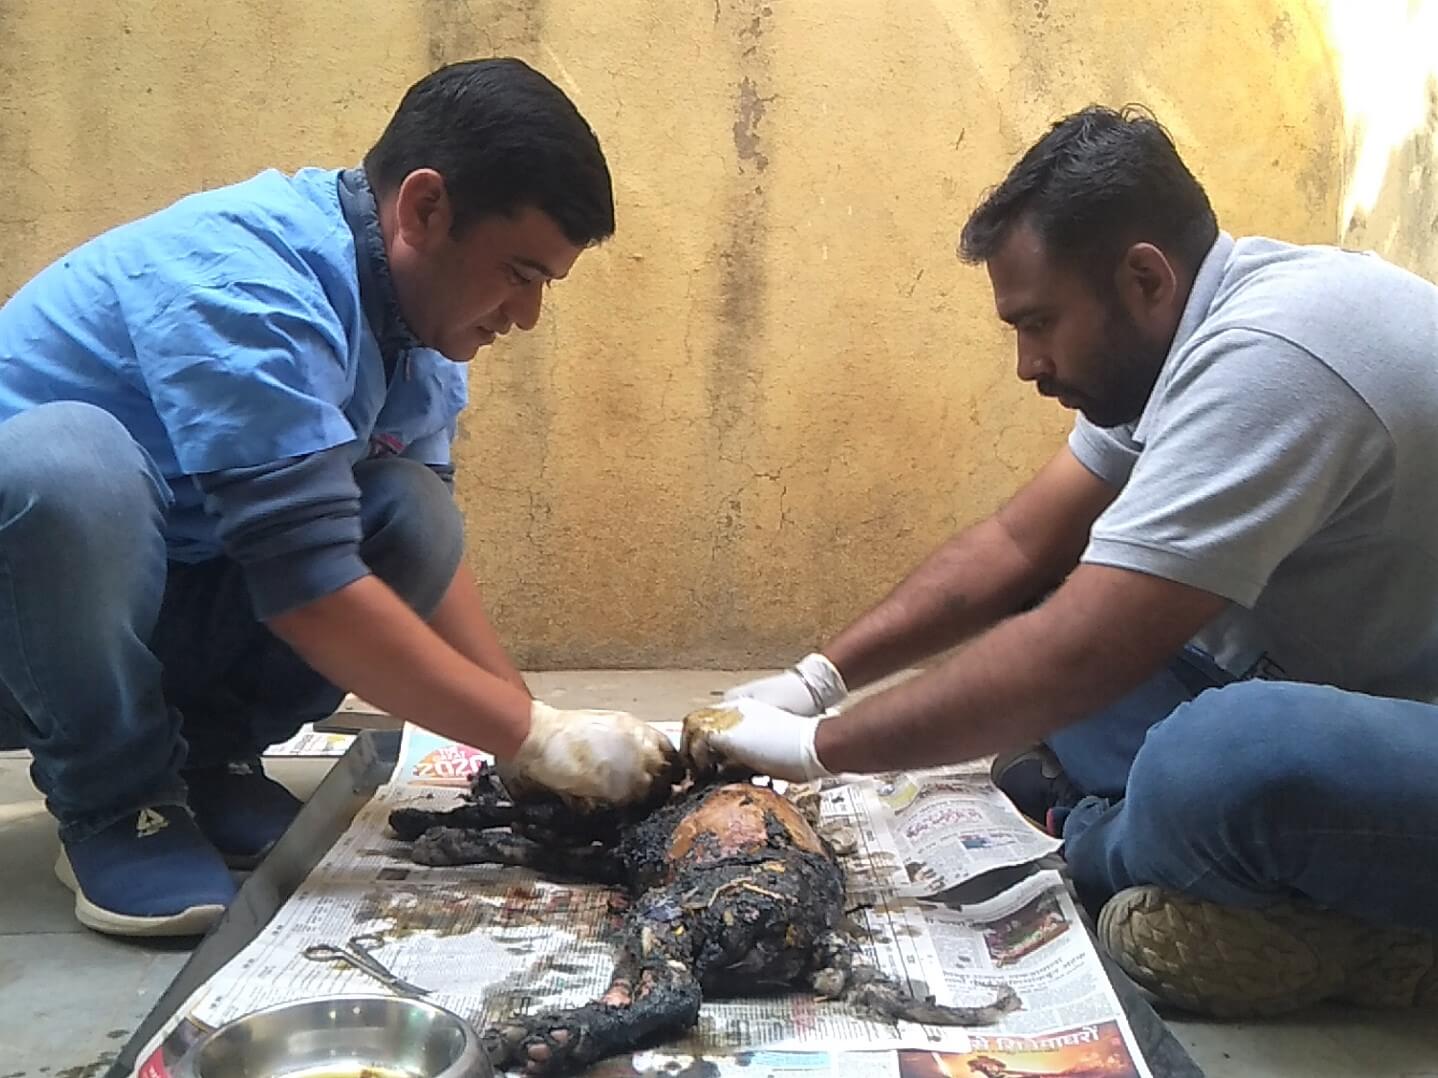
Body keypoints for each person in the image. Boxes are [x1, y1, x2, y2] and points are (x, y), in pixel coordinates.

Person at [693, 106, 1438, 1018]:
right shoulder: (1184, 333)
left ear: (1143, 277)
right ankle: (1206, 849)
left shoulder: (1272, 356)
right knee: (1050, 600)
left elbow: (1084, 651)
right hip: (1322, 680)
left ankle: (1111, 845)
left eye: (1039, 322)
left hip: (1403, 732)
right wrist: (814, 683)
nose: (1026, 363)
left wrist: (818, 752)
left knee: (1226, 759)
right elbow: (1016, 548)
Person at [0, 58, 677, 938]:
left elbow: (421, 562)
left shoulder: (418, 328)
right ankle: (116, 803)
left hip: (152, 601)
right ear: (425, 208)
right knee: (69, 467)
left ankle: (209, 761)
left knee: (407, 511)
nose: (526, 315)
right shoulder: (246, 283)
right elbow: (309, 587)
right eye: (519, 272)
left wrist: (530, 732)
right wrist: (528, 730)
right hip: (29, 636)